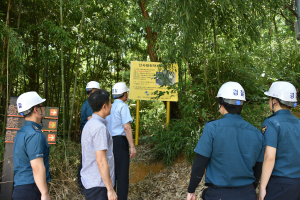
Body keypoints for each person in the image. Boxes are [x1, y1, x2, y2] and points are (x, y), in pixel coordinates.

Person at [186, 82, 264, 200]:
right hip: (247, 193)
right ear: (241, 105)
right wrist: (252, 188)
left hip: (218, 194)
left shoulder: (212, 128)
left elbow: (200, 163)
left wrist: (191, 190)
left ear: (221, 104)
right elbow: (258, 167)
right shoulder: (256, 133)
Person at [258, 81, 300, 200]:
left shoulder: (271, 123)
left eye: (270, 98)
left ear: (275, 101)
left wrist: (262, 187)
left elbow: (269, 157)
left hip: (280, 184)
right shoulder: (298, 122)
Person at [12, 91, 51, 200]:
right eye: (41, 106)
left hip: (19, 189)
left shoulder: (21, 133)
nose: (43, 109)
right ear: (35, 109)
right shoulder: (34, 134)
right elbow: (37, 166)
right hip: (32, 190)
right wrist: (44, 194)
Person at [81, 89, 117, 200]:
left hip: (92, 182)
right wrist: (110, 190)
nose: (111, 105)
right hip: (99, 185)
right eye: (110, 103)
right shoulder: (99, 128)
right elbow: (101, 161)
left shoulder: (90, 124)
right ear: (104, 106)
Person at [106, 82, 136, 200]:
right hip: (120, 141)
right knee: (122, 175)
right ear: (124, 94)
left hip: (109, 142)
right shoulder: (123, 106)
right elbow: (126, 127)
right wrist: (132, 146)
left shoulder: (110, 106)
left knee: (112, 173)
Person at [78, 81, 100, 192]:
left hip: (85, 132)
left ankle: (81, 183)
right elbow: (91, 119)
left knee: (86, 157)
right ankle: (82, 184)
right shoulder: (91, 103)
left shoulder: (86, 102)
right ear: (94, 91)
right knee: (88, 159)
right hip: (89, 133)